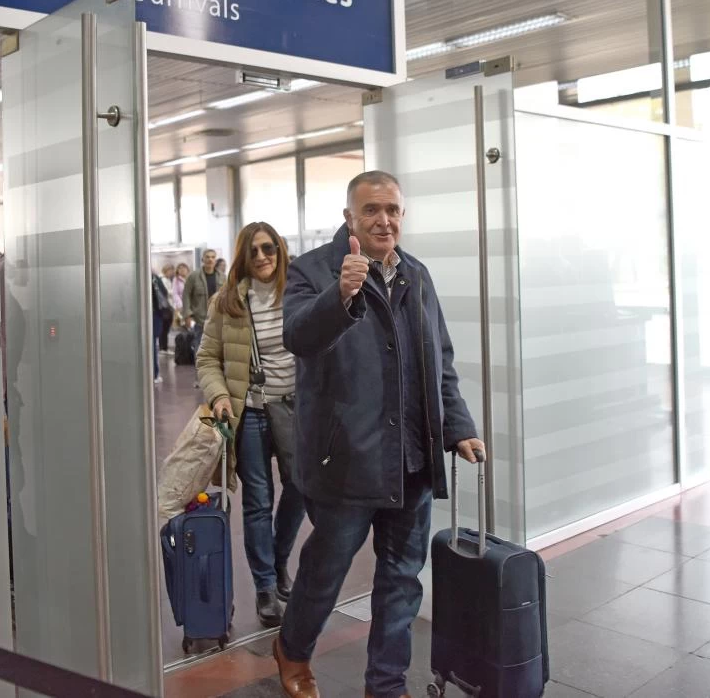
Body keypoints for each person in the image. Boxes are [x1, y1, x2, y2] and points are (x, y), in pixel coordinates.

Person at [272, 171, 485, 698]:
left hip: (412, 458)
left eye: (392, 209)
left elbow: (442, 361)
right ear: (349, 217)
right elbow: (297, 336)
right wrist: (339, 295)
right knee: (325, 572)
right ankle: (293, 649)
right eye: (371, 210)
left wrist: (457, 425)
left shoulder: (416, 274)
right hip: (345, 459)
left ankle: (385, 685)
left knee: (402, 578)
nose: (383, 220)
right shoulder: (312, 270)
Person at [197, 223, 306, 628]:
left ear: (281, 250)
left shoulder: (300, 291)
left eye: (270, 248)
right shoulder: (227, 302)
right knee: (258, 501)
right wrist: (220, 395)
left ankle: (278, 562)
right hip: (254, 413)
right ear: (242, 257)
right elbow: (207, 357)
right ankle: (265, 585)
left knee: (300, 489)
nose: (262, 257)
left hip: (297, 410)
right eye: (253, 251)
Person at [182, 249, 222, 353]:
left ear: (215, 260)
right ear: (202, 259)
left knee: (217, 350)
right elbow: (186, 295)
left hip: (218, 319)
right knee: (200, 349)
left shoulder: (222, 277)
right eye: (207, 257)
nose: (210, 259)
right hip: (200, 319)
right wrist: (187, 315)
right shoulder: (193, 276)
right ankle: (200, 369)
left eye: (213, 257)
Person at [151, 272, 172, 384]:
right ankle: (154, 374)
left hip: (146, 315)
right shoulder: (154, 277)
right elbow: (164, 292)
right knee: (152, 344)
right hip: (155, 314)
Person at [158, 263, 176, 352]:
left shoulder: (167, 280)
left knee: (166, 329)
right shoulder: (162, 280)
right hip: (166, 307)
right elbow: (167, 292)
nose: (172, 272)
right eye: (170, 270)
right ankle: (163, 348)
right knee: (164, 328)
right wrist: (174, 292)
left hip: (169, 307)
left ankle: (164, 347)